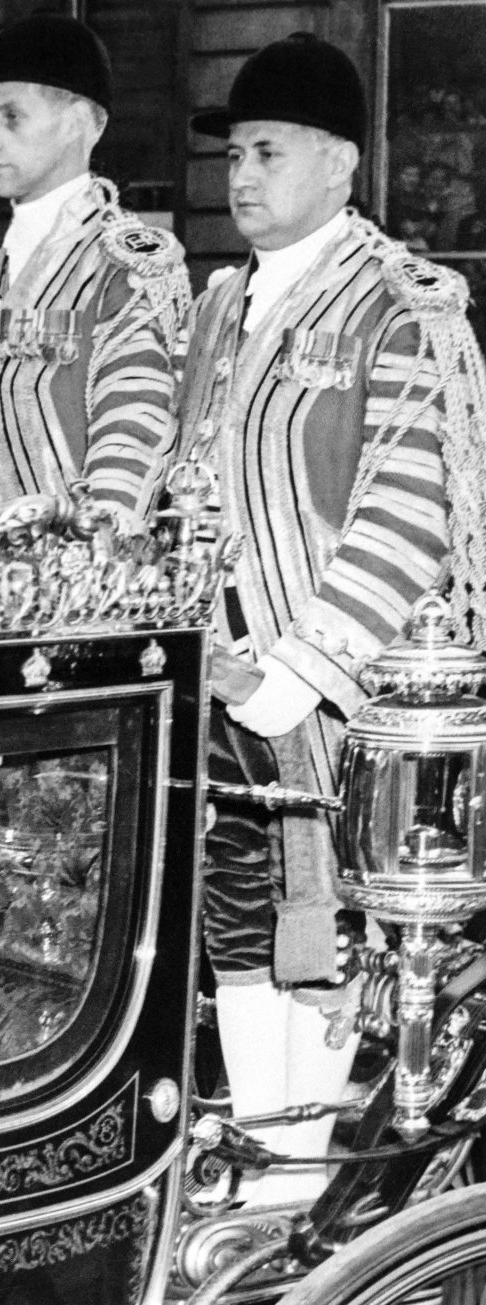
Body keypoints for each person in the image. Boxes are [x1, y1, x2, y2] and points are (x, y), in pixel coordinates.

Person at [180, 32, 486, 1206]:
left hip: (344, 698)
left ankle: (309, 1179)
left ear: (339, 163)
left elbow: (412, 504)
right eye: (233, 156)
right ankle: (267, 1155)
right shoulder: (219, 304)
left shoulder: (396, 304)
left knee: (329, 936)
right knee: (236, 912)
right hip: (223, 673)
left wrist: (300, 667)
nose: (241, 176)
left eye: (267, 151)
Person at [0, 14, 186, 523]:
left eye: (11, 117)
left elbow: (133, 439)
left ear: (79, 124)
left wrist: (93, 562)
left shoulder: (126, 265)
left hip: (72, 584)